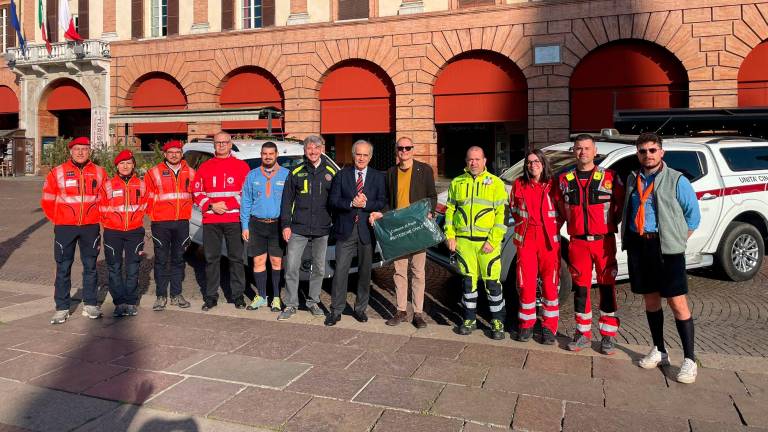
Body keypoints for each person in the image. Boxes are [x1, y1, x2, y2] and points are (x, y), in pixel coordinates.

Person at [621, 132, 701, 383]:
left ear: (661, 152)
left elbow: (693, 217)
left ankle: (690, 359)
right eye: (643, 151)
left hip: (667, 248)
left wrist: (677, 239)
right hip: (640, 246)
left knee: (677, 303)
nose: (648, 155)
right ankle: (660, 349)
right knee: (651, 302)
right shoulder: (633, 179)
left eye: (652, 150)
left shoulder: (677, 180)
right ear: (638, 154)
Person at [557, 134, 625, 354]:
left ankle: (608, 336)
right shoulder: (564, 180)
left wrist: (608, 227)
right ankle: (582, 334)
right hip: (577, 243)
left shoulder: (611, 177)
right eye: (578, 148)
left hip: (603, 242)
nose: (583, 152)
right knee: (582, 290)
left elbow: (621, 206)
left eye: (587, 148)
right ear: (573, 151)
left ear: (595, 151)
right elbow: (559, 209)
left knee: (607, 288)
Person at [370, 137, 437, 329]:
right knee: (399, 272)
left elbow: (432, 196)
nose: (404, 151)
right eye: (401, 148)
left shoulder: (424, 170)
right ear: (396, 151)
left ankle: (418, 313)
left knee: (418, 272)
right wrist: (380, 213)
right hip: (399, 231)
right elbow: (388, 202)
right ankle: (400, 311)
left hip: (417, 229)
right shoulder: (391, 172)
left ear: (413, 150)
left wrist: (429, 211)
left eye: (408, 148)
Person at [444, 146, 508, 340]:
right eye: (470, 159)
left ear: (485, 160)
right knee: (468, 284)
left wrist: (493, 240)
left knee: (493, 285)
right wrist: (450, 235)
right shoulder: (457, 182)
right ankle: (469, 319)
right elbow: (449, 211)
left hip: (487, 245)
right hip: (464, 244)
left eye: (477, 159)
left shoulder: (496, 183)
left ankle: (498, 322)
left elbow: (502, 216)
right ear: (466, 161)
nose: (474, 163)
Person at [41, 137, 107, 324]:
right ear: (70, 152)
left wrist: (99, 219)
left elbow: (105, 199)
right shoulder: (57, 172)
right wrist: (59, 219)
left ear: (90, 152)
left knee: (91, 267)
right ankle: (62, 308)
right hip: (65, 228)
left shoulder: (100, 172)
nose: (80, 152)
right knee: (63, 267)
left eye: (84, 149)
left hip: (90, 227)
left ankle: (90, 304)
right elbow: (47, 199)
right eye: (77, 149)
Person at [325, 140, 386, 326]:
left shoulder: (377, 177)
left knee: (365, 272)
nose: (361, 158)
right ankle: (336, 310)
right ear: (353, 155)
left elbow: (382, 201)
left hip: (367, 232)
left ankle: (360, 309)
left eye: (365, 155)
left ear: (370, 157)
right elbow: (333, 202)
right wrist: (352, 203)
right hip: (345, 231)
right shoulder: (341, 175)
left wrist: (366, 204)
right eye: (358, 154)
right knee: (340, 272)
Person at [278, 135, 337, 320]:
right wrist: (286, 225)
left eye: (316, 148)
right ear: (305, 151)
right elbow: (286, 202)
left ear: (322, 149)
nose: (313, 151)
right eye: (309, 148)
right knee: (292, 268)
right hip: (298, 228)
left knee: (319, 268)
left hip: (322, 229)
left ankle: (313, 301)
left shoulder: (331, 172)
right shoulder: (295, 172)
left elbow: (337, 201)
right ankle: (290, 304)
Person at [192, 131, 250, 311]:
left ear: (230, 143)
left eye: (225, 142)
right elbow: (196, 192)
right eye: (218, 142)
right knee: (211, 260)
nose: (222, 145)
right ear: (214, 145)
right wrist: (211, 206)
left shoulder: (242, 166)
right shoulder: (205, 167)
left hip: (233, 219)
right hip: (211, 220)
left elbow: (246, 193)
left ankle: (238, 296)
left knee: (236, 259)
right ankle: (210, 297)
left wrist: (226, 204)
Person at [510, 150, 561, 344]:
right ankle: (526, 325)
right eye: (529, 162)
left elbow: (562, 211)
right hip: (526, 240)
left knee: (550, 285)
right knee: (526, 284)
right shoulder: (519, 185)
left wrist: (553, 228)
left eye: (536, 161)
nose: (533, 165)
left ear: (543, 163)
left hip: (549, 241)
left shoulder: (553, 185)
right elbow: (514, 209)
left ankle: (549, 327)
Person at [146, 140, 195, 311]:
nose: (174, 155)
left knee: (178, 260)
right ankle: (161, 296)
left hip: (182, 222)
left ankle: (176, 294)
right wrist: (152, 217)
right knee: (160, 260)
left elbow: (195, 196)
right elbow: (147, 197)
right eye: (170, 152)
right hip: (161, 223)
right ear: (165, 154)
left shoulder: (191, 172)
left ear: (182, 154)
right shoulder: (153, 173)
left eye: (177, 152)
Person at [241, 142, 289, 312]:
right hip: (257, 225)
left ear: (276, 154)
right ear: (261, 154)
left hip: (277, 226)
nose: (268, 156)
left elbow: (292, 202)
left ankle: (276, 297)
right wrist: (245, 226)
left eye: (271, 153)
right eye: (264, 153)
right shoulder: (252, 175)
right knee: (258, 261)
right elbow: (245, 201)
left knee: (277, 262)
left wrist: (288, 225)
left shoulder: (286, 175)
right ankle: (261, 296)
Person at [99, 150, 148, 317]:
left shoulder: (142, 185)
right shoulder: (107, 185)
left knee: (133, 268)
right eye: (122, 163)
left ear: (133, 164)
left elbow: (149, 205)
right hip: (113, 232)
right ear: (117, 166)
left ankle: (131, 301)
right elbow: (100, 208)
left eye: (128, 162)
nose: (125, 166)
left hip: (135, 232)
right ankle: (119, 302)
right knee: (114, 268)